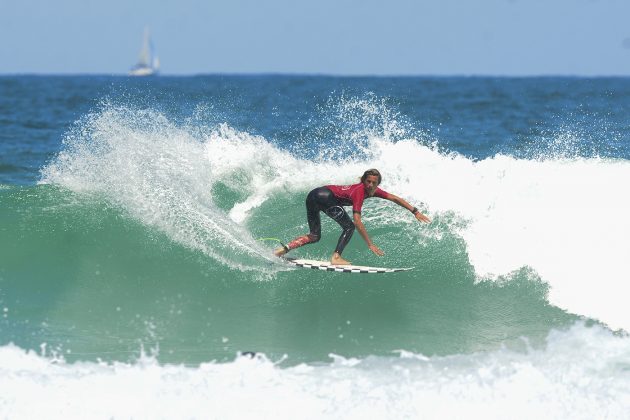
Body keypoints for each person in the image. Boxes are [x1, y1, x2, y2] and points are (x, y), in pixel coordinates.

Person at [274, 168, 431, 265]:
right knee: (349, 226)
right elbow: (357, 221)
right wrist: (370, 244)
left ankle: (283, 249)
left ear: (377, 184)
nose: (370, 185)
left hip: (314, 195)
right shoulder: (359, 192)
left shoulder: (375, 191)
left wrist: (415, 211)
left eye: (373, 183)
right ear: (363, 181)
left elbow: (395, 198)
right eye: (367, 181)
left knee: (314, 236)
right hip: (323, 195)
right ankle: (336, 257)